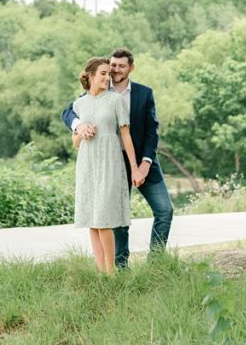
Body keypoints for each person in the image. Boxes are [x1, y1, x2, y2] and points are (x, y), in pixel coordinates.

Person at [62, 47, 174, 268]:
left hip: (141, 161)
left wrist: (141, 165)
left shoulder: (143, 93)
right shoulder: (95, 92)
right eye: (112, 66)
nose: (115, 70)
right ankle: (120, 267)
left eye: (121, 66)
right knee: (115, 220)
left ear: (131, 68)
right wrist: (79, 126)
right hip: (108, 161)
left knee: (165, 210)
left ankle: (157, 262)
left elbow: (152, 133)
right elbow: (68, 112)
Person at [71, 56, 143, 274]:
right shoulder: (79, 104)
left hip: (110, 163)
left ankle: (111, 274)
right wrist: (81, 131)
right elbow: (75, 142)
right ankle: (100, 272)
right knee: (92, 222)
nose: (107, 77)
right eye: (102, 73)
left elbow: (125, 135)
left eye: (108, 74)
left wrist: (134, 166)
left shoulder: (115, 100)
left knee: (103, 220)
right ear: (91, 76)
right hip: (87, 164)